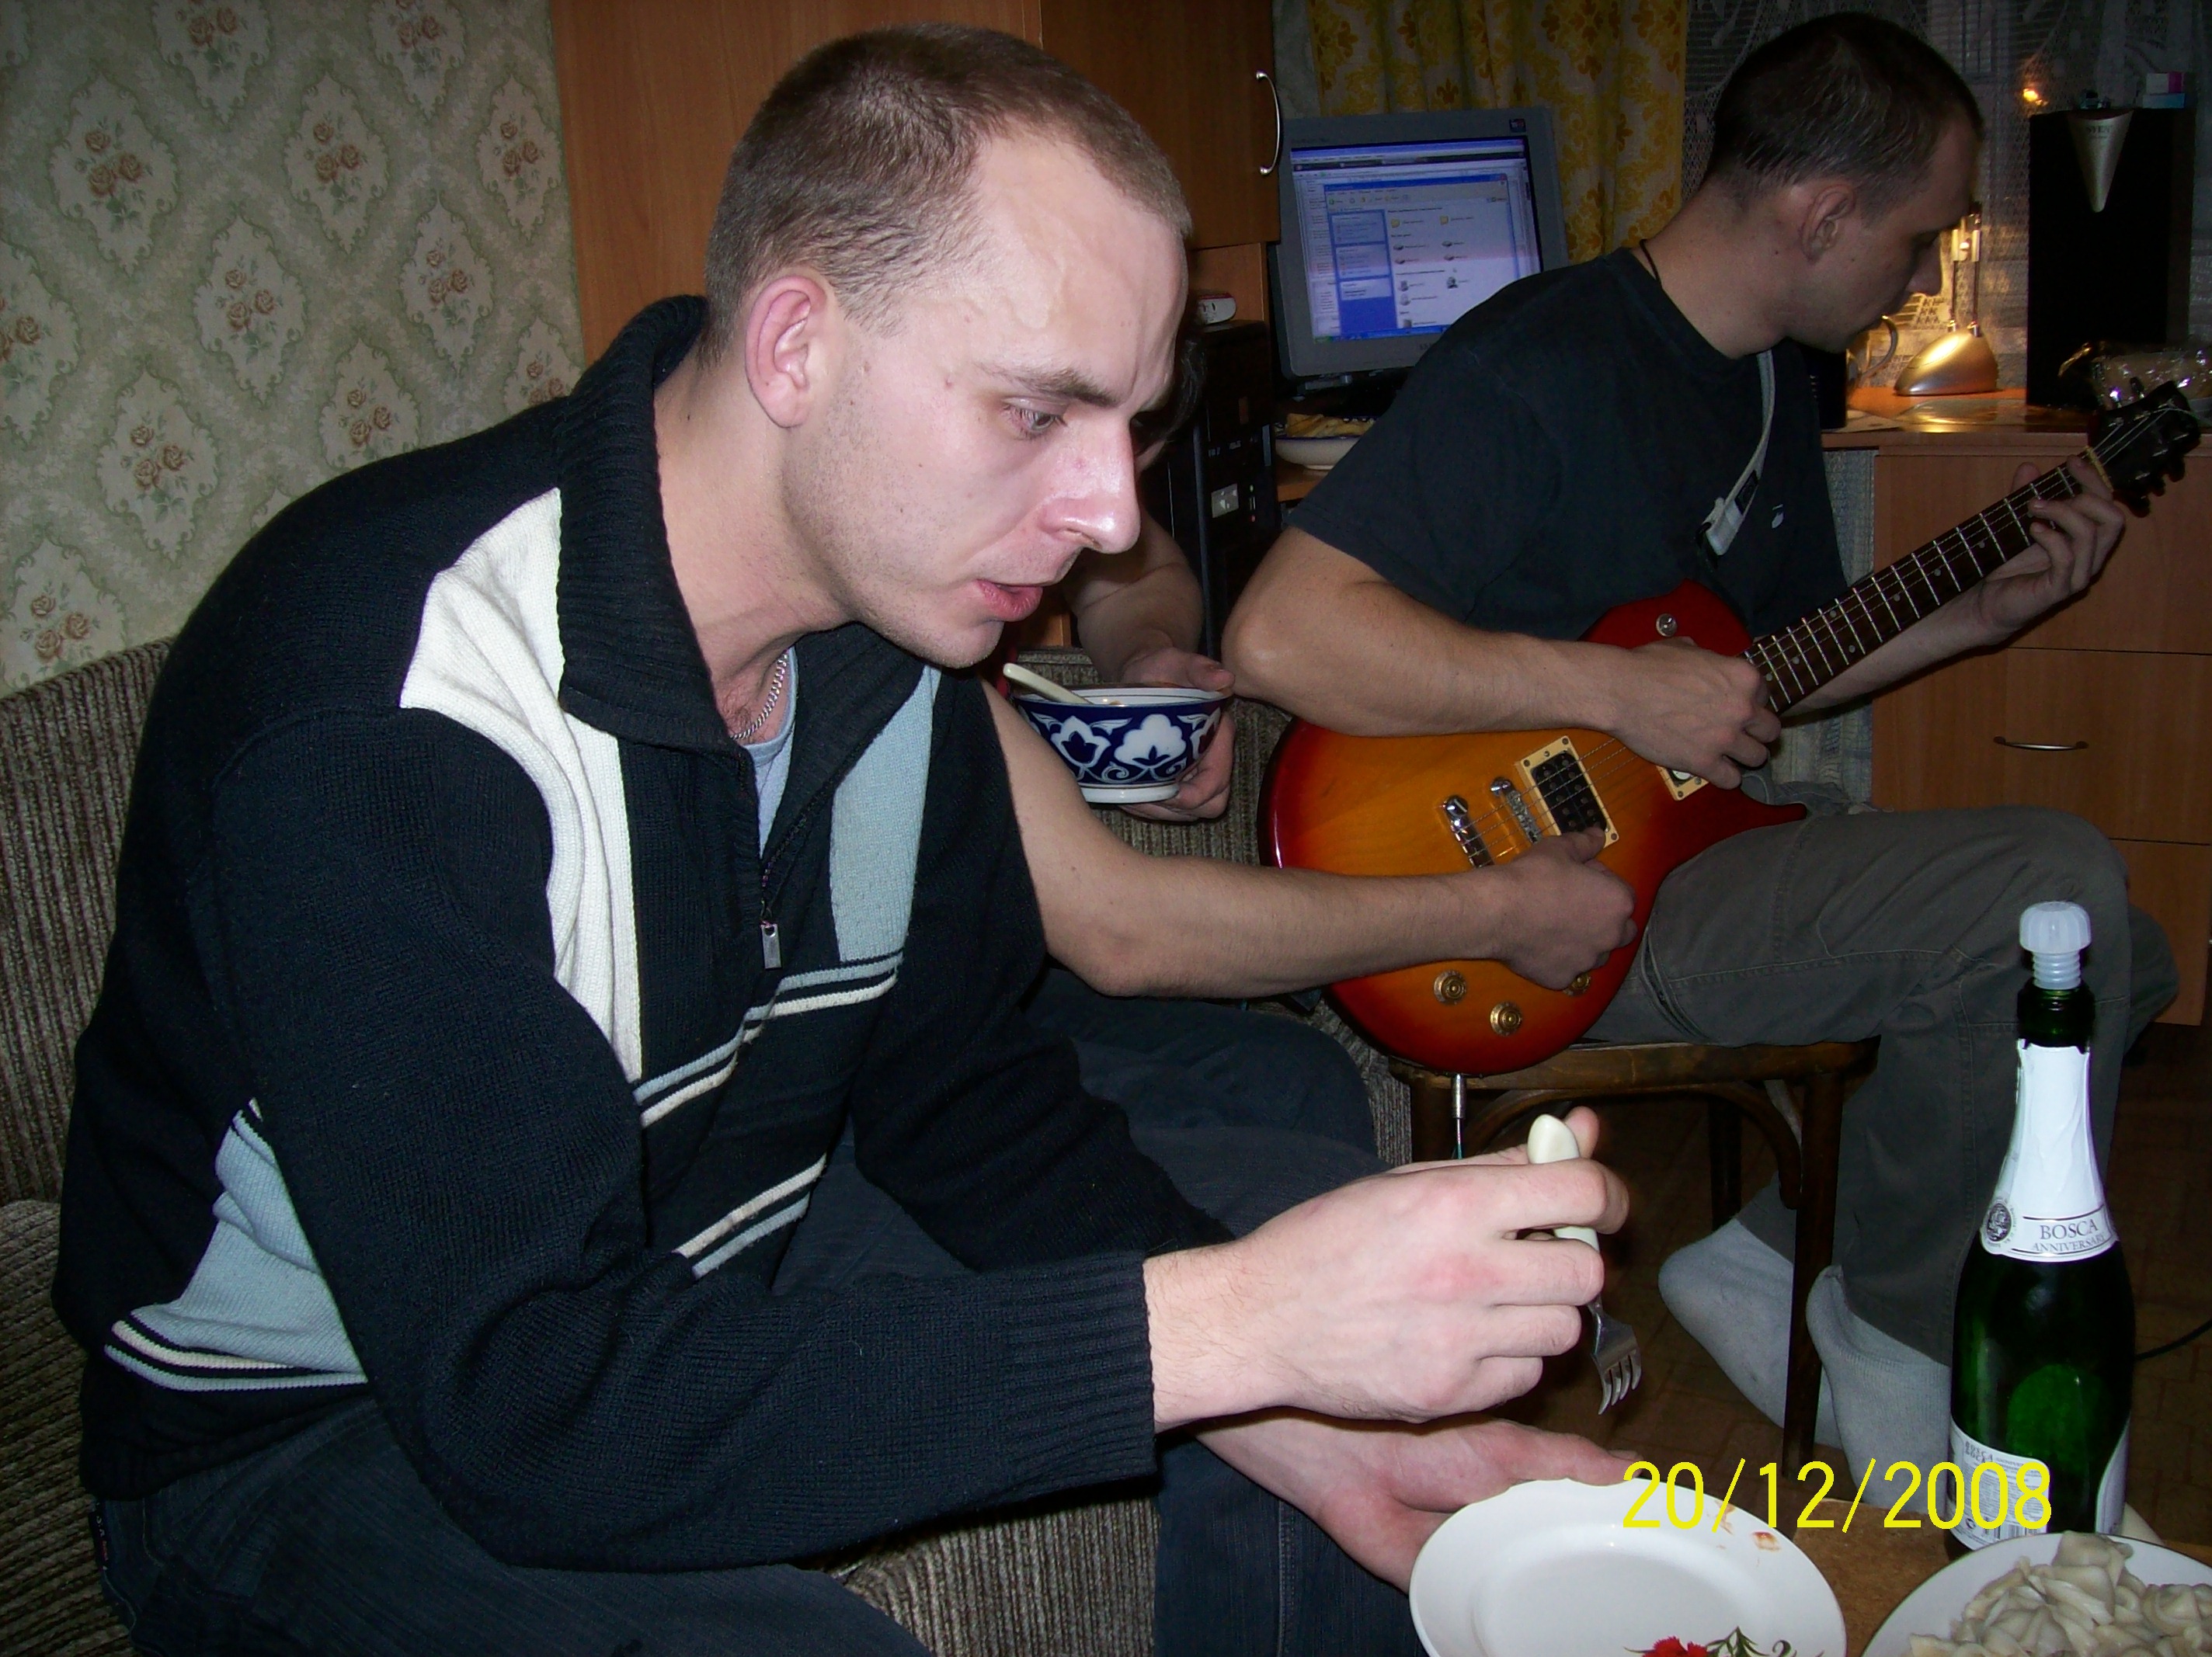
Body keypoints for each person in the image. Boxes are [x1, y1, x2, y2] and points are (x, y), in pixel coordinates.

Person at [56, 26, 1633, 1657]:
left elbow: (967, 1105)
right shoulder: (392, 708)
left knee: (1294, 1261)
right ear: (796, 344)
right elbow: (529, 1405)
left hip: (708, 1241)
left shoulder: (891, 643)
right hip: (301, 1427)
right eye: (1037, 408)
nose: (1109, 514)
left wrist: (1300, 1404)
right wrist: (1235, 1324)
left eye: (1129, 422)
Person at [1225, 12, 2179, 1499]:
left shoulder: (1767, 378)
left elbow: (1761, 672)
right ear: (1821, 213)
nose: (1919, 273)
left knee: (2117, 953)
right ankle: (1898, 1342)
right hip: (1545, 894)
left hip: (1702, 839)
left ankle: (1782, 1254)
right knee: (2043, 901)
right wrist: (1612, 689)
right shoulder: (1539, 361)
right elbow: (1281, 631)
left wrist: (1976, 614)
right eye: (1917, 236)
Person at [1003, 508, 1636, 1150]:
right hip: (944, 1034)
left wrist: (1146, 659)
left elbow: (1138, 574)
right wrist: (1502, 914)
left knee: (1306, 1083)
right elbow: (1124, 931)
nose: (1117, 514)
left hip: (1009, 986)